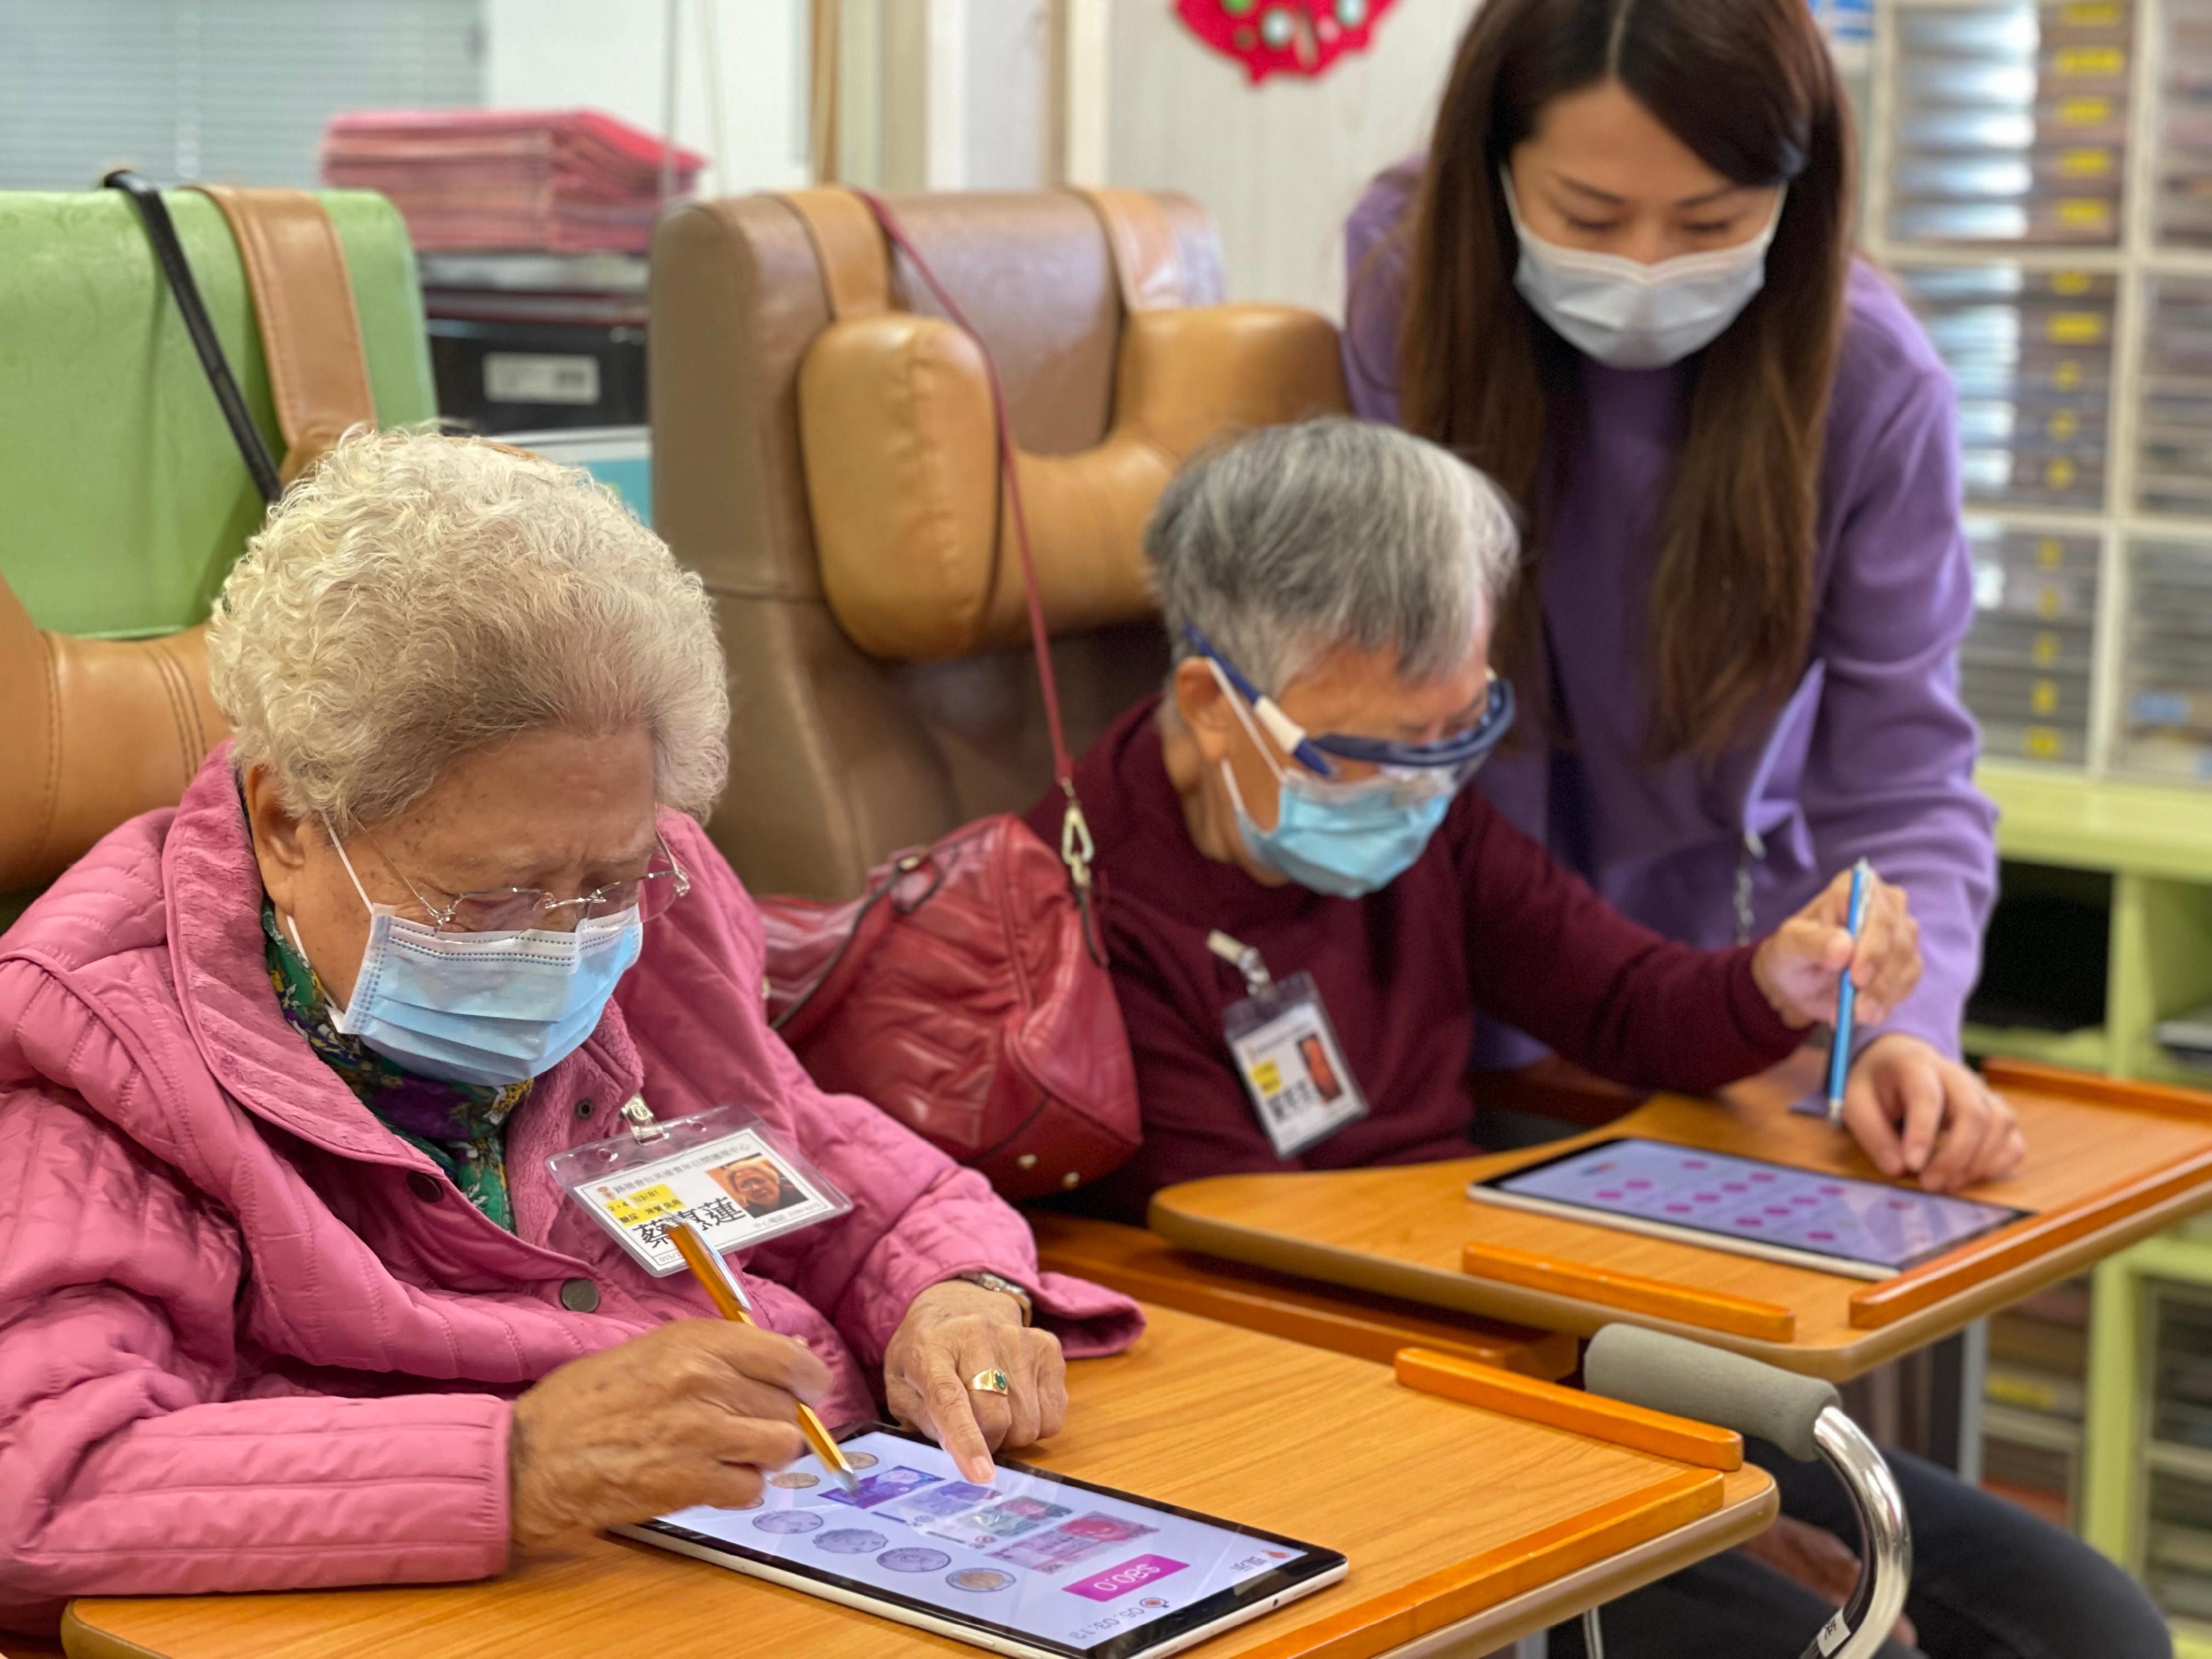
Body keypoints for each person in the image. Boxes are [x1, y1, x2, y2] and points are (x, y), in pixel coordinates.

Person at [1030, 418, 2165, 1659]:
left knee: (2087, 1626)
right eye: (1381, 749)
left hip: (1542, 1361)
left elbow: (1623, 1003)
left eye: (1455, 733)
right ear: (1210, 704)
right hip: (1352, 1421)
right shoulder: (1078, 909)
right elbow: (1260, 1262)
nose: (1424, 783)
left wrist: (1776, 979)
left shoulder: (1427, 823)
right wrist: (1680, 1498)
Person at [0, 430, 1139, 1635]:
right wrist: (520, 1464)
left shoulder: (665, 907)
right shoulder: (110, 1048)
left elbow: (824, 1166)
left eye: (605, 881)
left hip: (785, 1566)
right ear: (289, 825)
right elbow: (43, 1471)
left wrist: (954, 1299)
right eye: (491, 897)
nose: (566, 940)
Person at [1343, 0, 2022, 1198]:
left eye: (1709, 222)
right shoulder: (1410, 274)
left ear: (1793, 196)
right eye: (1587, 218)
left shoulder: (1872, 382)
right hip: (1438, 979)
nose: (1644, 269)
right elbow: (1396, 675)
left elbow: (1900, 770)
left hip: (1708, 1003)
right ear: (1491, 168)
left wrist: (1904, 1025)